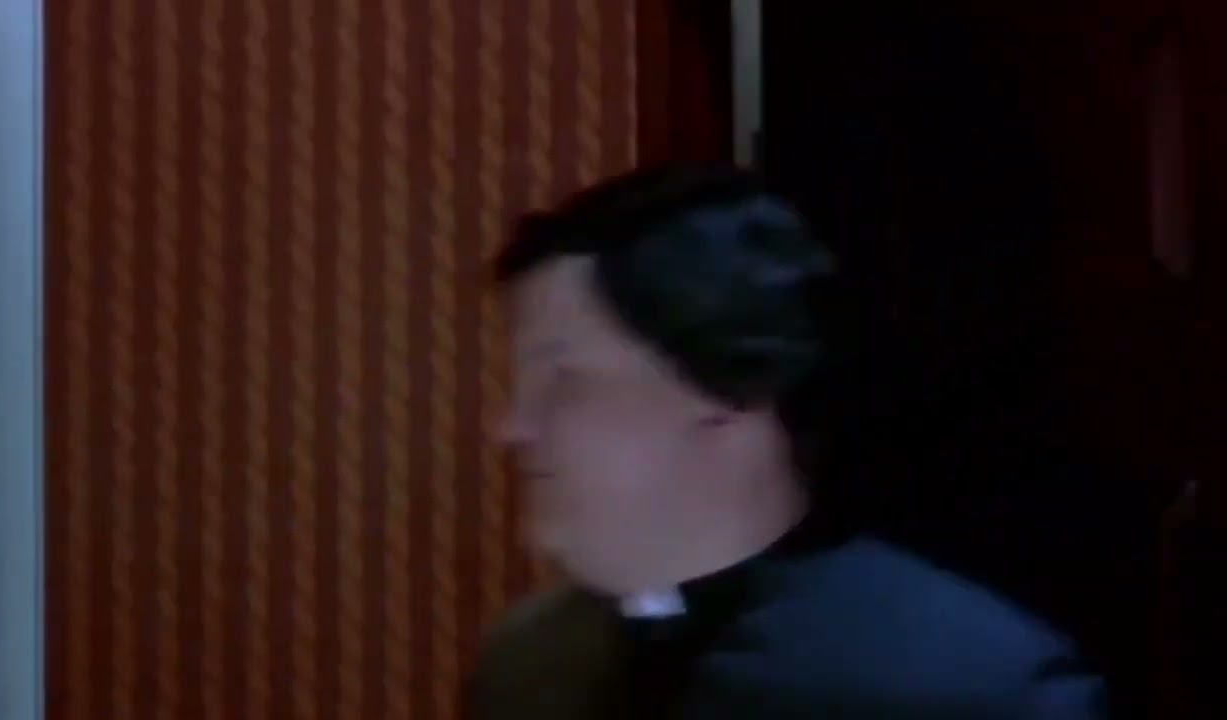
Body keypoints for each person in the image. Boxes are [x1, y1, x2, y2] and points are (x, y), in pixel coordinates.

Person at [469, 166, 1108, 719]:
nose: (512, 427)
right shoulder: (526, 667)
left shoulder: (973, 688)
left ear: (724, 388)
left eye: (564, 378)